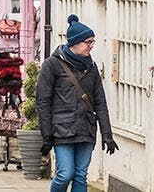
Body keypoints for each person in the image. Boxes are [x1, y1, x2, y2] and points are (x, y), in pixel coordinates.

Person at [37, 15, 118, 192]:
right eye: (88, 42)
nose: (91, 46)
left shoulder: (91, 67)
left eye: (92, 42)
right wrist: (47, 135)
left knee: (81, 176)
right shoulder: (52, 65)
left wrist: (107, 134)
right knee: (65, 174)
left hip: (86, 129)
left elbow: (100, 101)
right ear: (75, 43)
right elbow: (43, 101)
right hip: (62, 129)